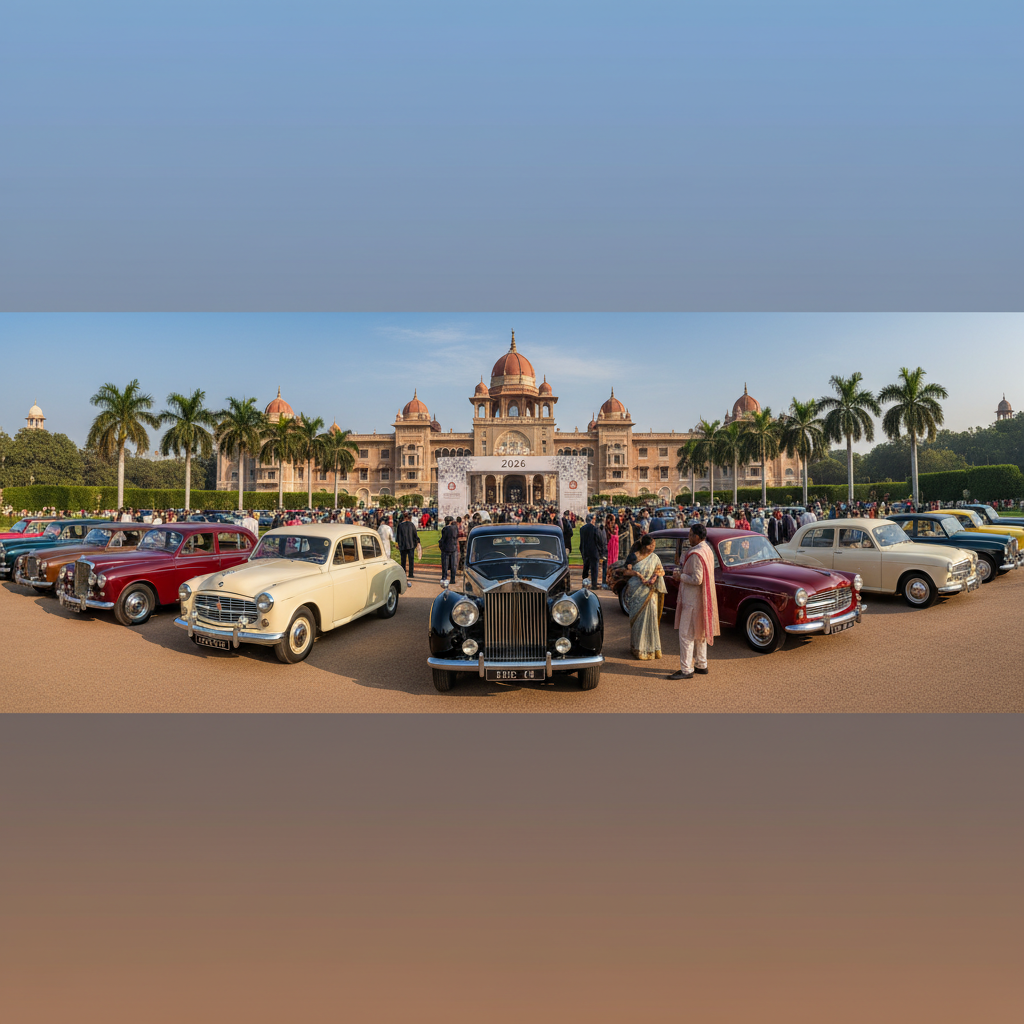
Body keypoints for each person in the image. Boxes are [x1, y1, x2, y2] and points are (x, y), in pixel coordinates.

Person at [668, 522, 720, 680]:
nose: (689, 537)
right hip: (702, 598)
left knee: (686, 634)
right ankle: (701, 664)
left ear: (697, 537)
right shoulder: (707, 550)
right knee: (700, 633)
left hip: (693, 600)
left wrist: (680, 576)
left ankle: (686, 669)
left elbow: (697, 579)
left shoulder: (697, 554)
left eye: (690, 535)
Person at [622, 534, 667, 660]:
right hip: (636, 591)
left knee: (650, 619)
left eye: (654, 545)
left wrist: (655, 577)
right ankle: (638, 648)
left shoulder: (654, 557)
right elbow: (625, 571)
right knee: (638, 621)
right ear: (644, 545)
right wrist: (637, 574)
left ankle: (651, 649)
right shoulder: (634, 556)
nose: (652, 548)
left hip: (650, 592)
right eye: (650, 545)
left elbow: (660, 570)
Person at [579, 513, 601, 589]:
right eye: (594, 519)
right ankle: (594, 585)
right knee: (594, 569)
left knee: (586, 568)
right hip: (593, 551)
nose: (594, 521)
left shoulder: (582, 529)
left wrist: (581, 549)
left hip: (585, 551)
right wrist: (600, 550)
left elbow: (582, 541)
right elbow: (598, 540)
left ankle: (584, 583)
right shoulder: (595, 529)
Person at [395, 512, 419, 581]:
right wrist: (417, 542)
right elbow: (415, 535)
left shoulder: (400, 525)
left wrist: (398, 544)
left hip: (403, 545)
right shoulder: (412, 525)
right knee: (411, 560)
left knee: (403, 560)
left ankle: (403, 573)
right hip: (411, 545)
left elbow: (398, 536)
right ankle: (411, 573)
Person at [440, 516, 459, 583]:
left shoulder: (444, 529)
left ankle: (444, 577)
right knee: (453, 565)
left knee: (445, 564)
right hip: (453, 548)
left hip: (446, 548)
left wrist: (441, 546)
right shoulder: (455, 528)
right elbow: (457, 536)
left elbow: (443, 539)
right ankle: (452, 579)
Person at [603, 514, 619, 589]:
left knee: (613, 563)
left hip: (614, 546)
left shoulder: (614, 526)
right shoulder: (606, 527)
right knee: (609, 563)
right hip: (610, 546)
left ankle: (611, 580)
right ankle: (608, 580)